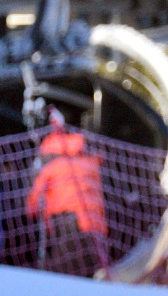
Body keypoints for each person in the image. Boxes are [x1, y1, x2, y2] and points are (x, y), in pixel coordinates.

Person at [26, 110, 110, 277]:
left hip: (67, 226)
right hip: (97, 231)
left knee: (60, 277)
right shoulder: (92, 164)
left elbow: (31, 206)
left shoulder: (50, 169)